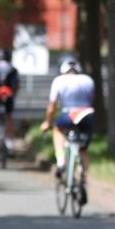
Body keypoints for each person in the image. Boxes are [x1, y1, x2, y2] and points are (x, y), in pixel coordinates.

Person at [40, 56, 95, 202]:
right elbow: (91, 100)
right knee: (83, 149)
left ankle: (61, 162)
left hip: (69, 116)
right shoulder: (88, 80)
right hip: (87, 116)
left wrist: (47, 123)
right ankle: (82, 178)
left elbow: (52, 108)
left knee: (58, 130)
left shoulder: (59, 80)